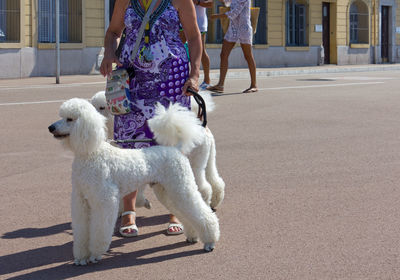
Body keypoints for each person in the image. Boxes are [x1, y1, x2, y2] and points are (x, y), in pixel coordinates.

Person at [100, 0, 202, 237]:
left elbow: (195, 37)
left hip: (171, 81)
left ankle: (175, 209)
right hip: (132, 79)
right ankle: (128, 210)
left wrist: (194, 75)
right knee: (129, 144)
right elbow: (113, 32)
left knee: (171, 145)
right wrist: (109, 52)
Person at [208, 0, 257, 93]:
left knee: (248, 56)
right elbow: (227, 3)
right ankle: (220, 85)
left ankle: (254, 85)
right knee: (223, 55)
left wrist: (217, 16)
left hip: (244, 29)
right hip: (233, 28)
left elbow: (234, 13)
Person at [179, 0, 212, 90]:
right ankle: (180, 77)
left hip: (199, 24)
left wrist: (197, 2)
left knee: (202, 52)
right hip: (183, 22)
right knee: (178, 48)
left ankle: (207, 80)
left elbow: (210, 3)